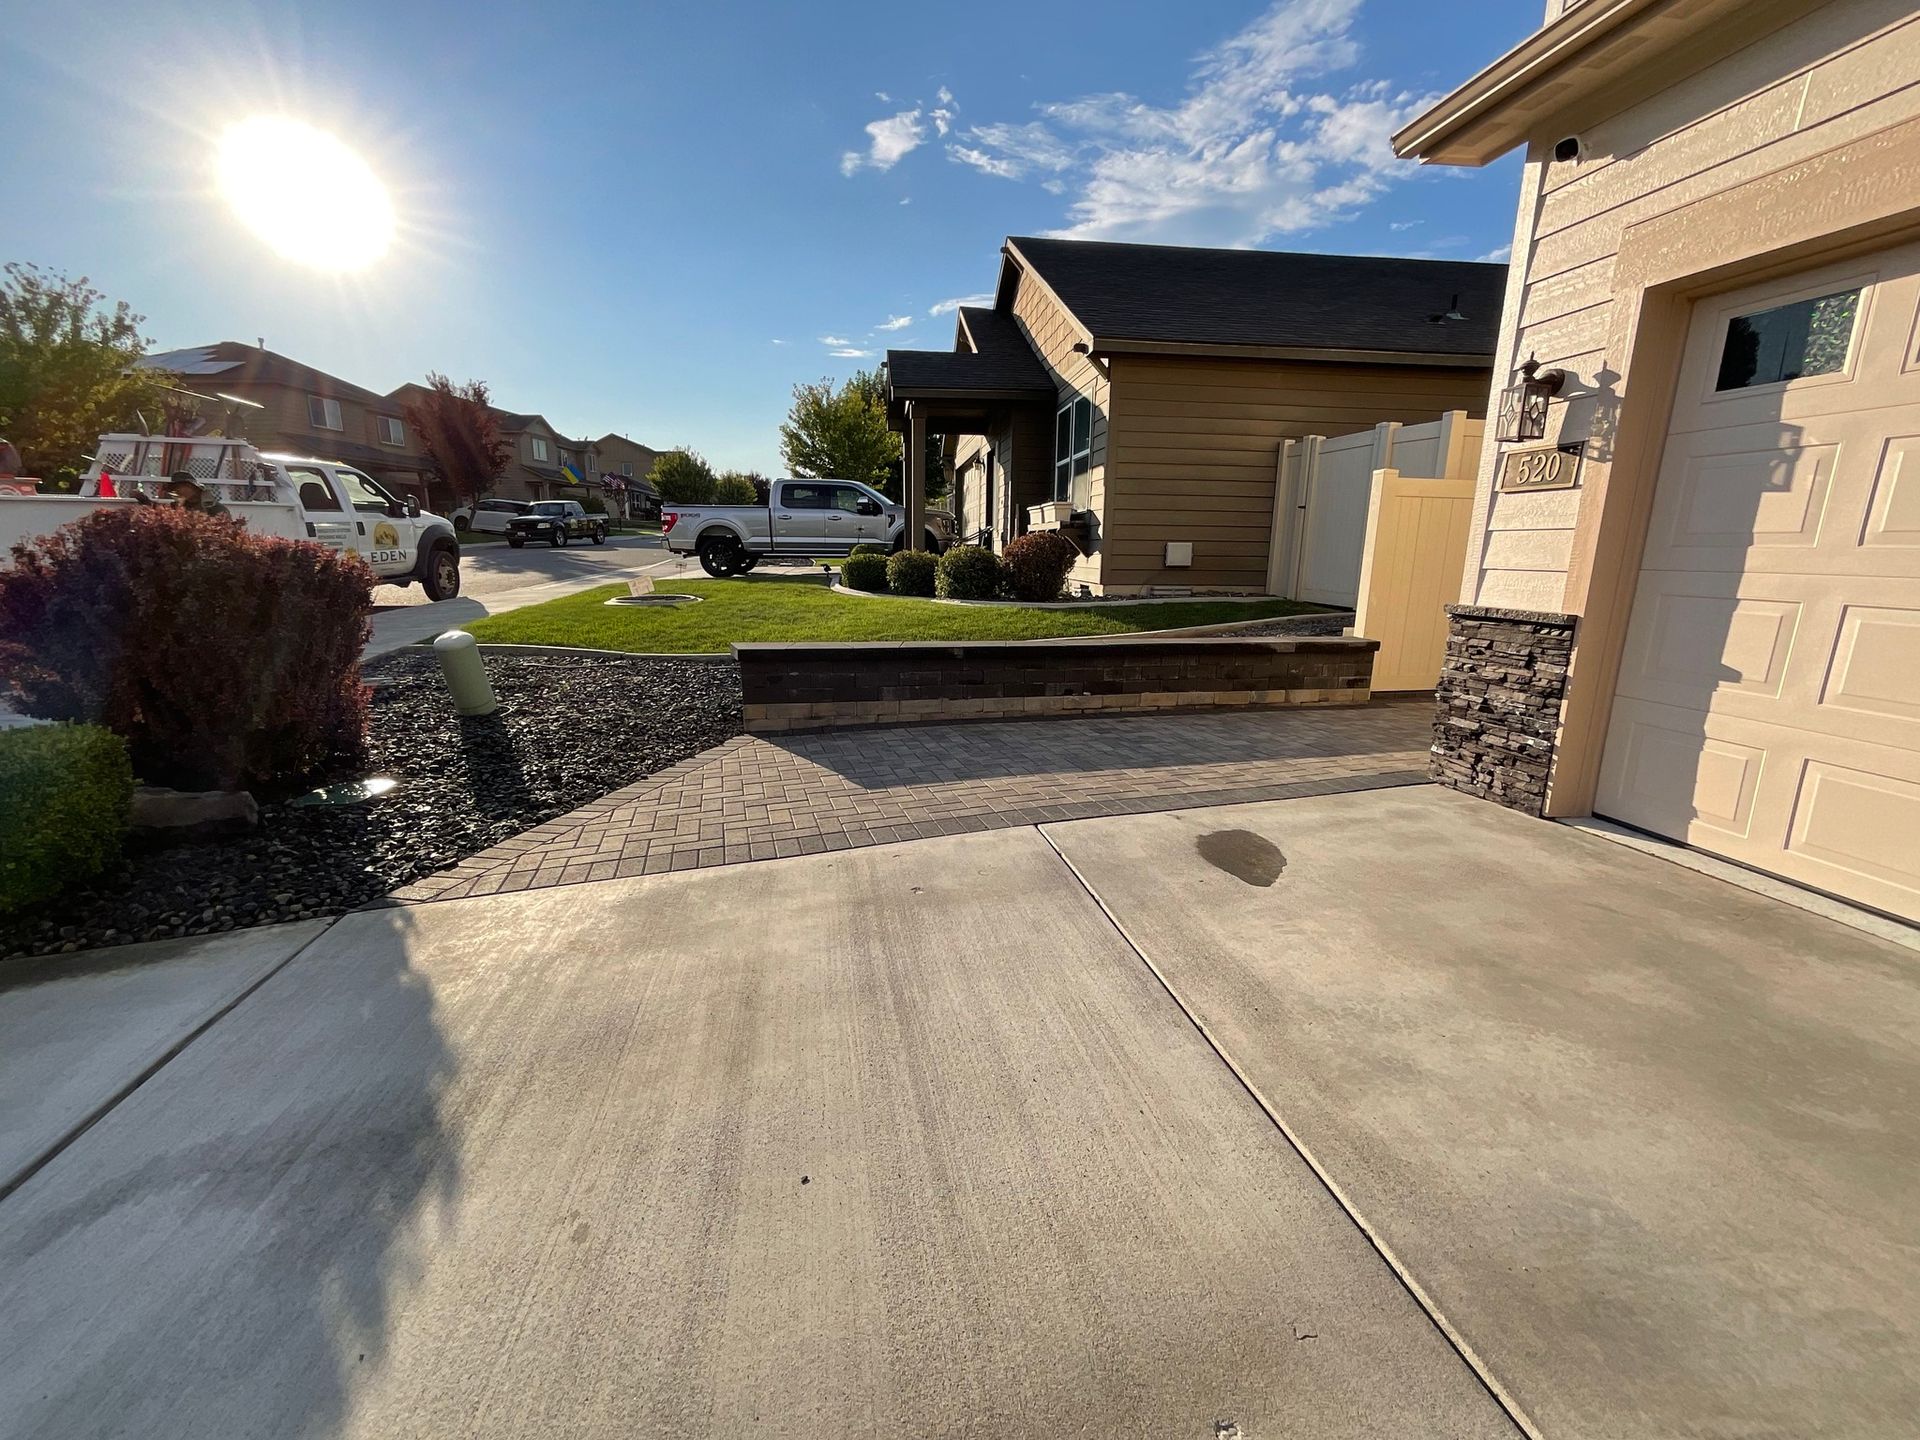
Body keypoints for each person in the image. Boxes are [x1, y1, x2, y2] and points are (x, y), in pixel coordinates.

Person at [136, 470, 231, 518]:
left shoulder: (215, 509)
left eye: (180, 487)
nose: (178, 491)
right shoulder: (178, 507)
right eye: (175, 489)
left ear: (192, 486)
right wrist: (143, 499)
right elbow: (161, 511)